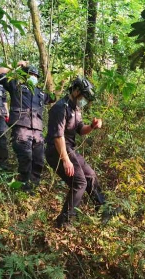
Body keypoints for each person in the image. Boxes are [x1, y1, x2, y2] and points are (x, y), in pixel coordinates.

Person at [45, 76, 111, 228]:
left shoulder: (76, 109)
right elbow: (57, 136)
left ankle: (103, 210)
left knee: (90, 175)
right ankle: (64, 221)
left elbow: (81, 129)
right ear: (75, 91)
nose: (84, 101)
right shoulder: (60, 107)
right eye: (84, 97)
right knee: (79, 182)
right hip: (57, 151)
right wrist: (66, 160)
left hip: (69, 149)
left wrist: (93, 126)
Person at [0, 64, 56, 194]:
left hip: (37, 131)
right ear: (25, 76)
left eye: (35, 76)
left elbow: (53, 97)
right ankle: (23, 185)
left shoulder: (41, 93)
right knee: (26, 157)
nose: (33, 77)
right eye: (31, 75)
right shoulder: (16, 87)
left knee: (39, 159)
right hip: (21, 129)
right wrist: (17, 65)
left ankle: (33, 187)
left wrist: (49, 74)